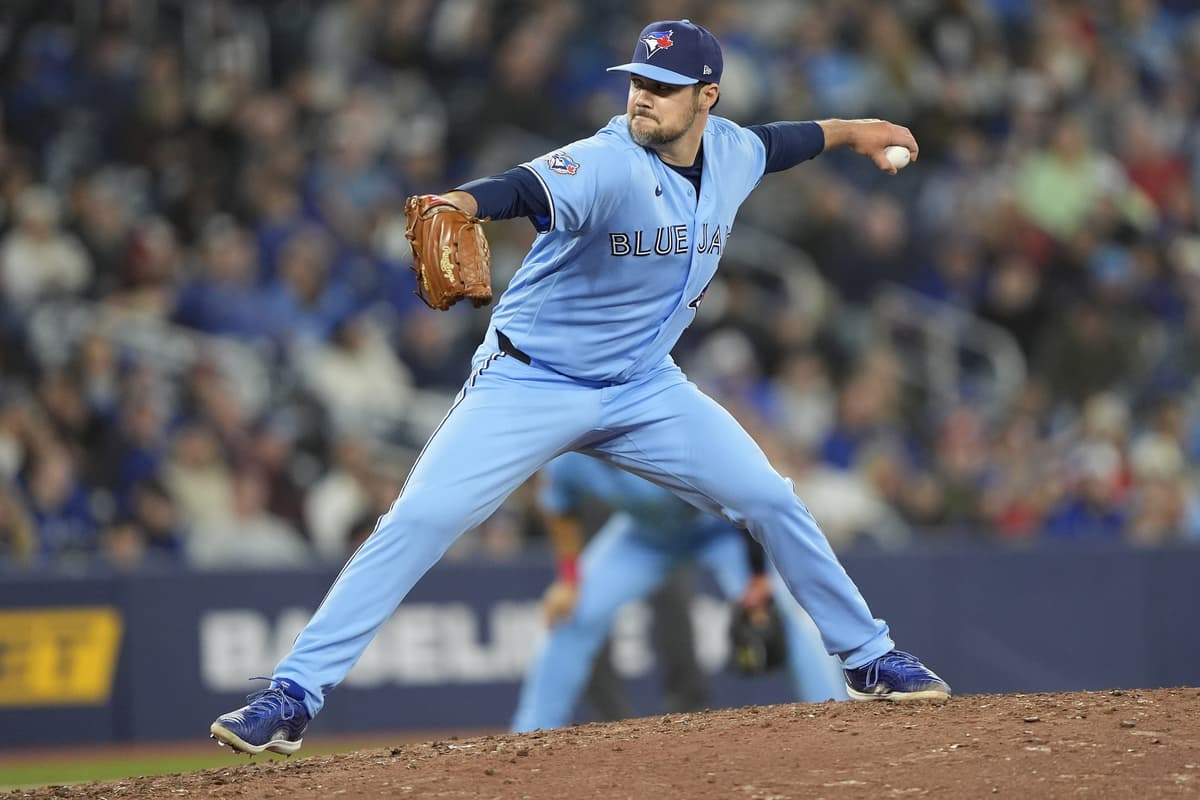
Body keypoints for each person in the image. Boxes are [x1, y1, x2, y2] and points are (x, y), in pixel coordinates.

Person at [211, 18, 950, 756]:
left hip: (644, 388)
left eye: (663, 87)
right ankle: (292, 696)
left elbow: (796, 139)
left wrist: (863, 131)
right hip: (533, 381)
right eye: (637, 82)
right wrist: (462, 206)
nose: (643, 98)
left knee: (770, 497)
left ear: (707, 97)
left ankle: (866, 658)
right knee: (420, 519)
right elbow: (522, 187)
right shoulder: (607, 162)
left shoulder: (733, 151)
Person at [511, 452, 844, 733]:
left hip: (719, 528)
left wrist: (758, 578)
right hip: (644, 537)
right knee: (571, 615)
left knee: (778, 613)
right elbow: (560, 507)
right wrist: (568, 580)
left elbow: (743, 495)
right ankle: (527, 735)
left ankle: (839, 719)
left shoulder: (659, 434)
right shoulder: (572, 459)